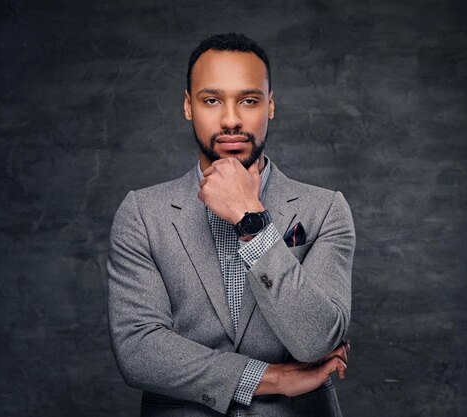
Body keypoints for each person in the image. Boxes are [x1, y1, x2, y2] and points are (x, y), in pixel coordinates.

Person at [107, 33, 355, 417]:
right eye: (211, 100)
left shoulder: (325, 210)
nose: (231, 120)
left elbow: (316, 341)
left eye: (249, 100)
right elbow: (139, 350)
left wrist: (250, 217)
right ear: (188, 107)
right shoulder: (142, 213)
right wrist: (269, 377)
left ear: (270, 106)